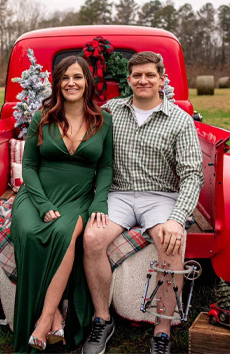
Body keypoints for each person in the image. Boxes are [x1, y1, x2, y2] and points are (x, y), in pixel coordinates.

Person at [82, 51, 204, 354]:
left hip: (160, 197)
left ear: (162, 79)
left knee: (171, 243)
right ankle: (102, 318)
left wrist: (177, 218)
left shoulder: (179, 120)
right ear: (128, 80)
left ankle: (162, 331)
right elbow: (82, 132)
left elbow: (192, 175)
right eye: (137, 75)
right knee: (92, 238)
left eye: (150, 74)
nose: (143, 80)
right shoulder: (111, 111)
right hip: (118, 194)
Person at [11, 55, 113, 353]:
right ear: (57, 83)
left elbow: (105, 167)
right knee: (30, 234)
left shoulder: (101, 119)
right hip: (37, 194)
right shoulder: (41, 116)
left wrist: (100, 200)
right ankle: (54, 317)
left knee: (65, 234)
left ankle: (42, 324)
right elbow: (29, 166)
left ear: (87, 82)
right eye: (65, 77)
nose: (71, 83)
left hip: (77, 197)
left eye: (78, 77)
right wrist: (41, 204)